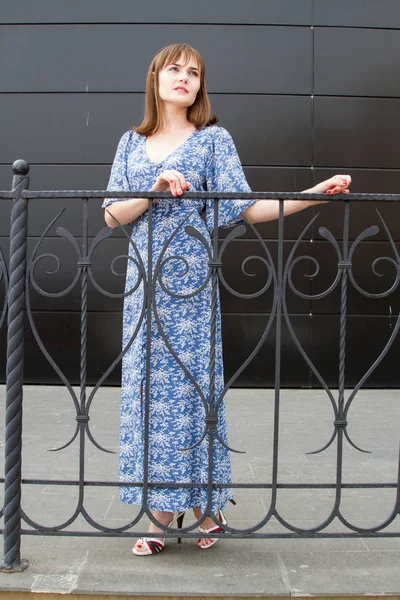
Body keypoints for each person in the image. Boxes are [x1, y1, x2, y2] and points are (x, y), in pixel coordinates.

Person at [103, 43, 351, 556]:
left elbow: (246, 208)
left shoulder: (213, 141)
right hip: (143, 285)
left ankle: (183, 511)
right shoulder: (131, 142)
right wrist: (152, 189)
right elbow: (111, 215)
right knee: (148, 396)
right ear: (155, 78)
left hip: (190, 283)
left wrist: (311, 194)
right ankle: (183, 507)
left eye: (193, 73)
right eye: (175, 69)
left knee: (192, 390)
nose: (185, 78)